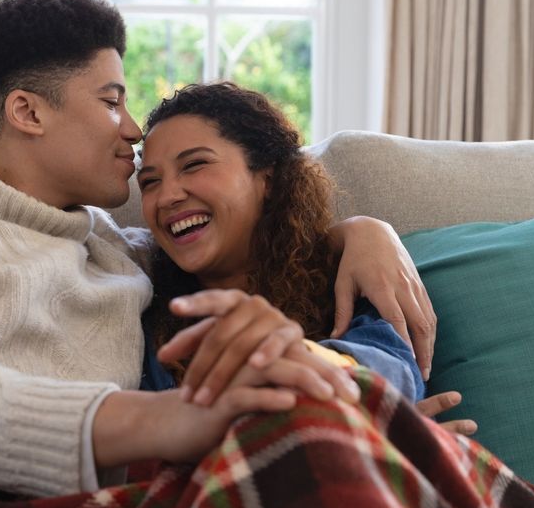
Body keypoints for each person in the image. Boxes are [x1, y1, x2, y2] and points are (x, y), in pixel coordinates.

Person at [0, 0, 438, 508]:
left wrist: (358, 233)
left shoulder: (119, 253)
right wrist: (168, 420)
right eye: (112, 100)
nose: (132, 132)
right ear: (27, 112)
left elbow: (240, 241)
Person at [136, 82, 477, 435]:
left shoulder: (347, 274)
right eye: (149, 182)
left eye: (194, 165)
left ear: (266, 179)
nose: (167, 197)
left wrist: (292, 364)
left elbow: (394, 370)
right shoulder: (146, 310)